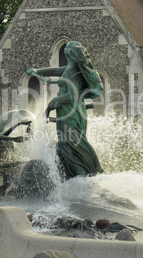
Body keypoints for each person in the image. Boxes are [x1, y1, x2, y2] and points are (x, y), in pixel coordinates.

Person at [27, 41, 103, 179]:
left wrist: (54, 102)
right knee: (71, 143)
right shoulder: (73, 69)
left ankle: (84, 173)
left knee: (70, 144)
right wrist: (37, 71)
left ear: (68, 53)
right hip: (75, 111)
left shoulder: (71, 71)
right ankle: (79, 174)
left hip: (69, 112)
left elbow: (71, 96)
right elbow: (55, 71)